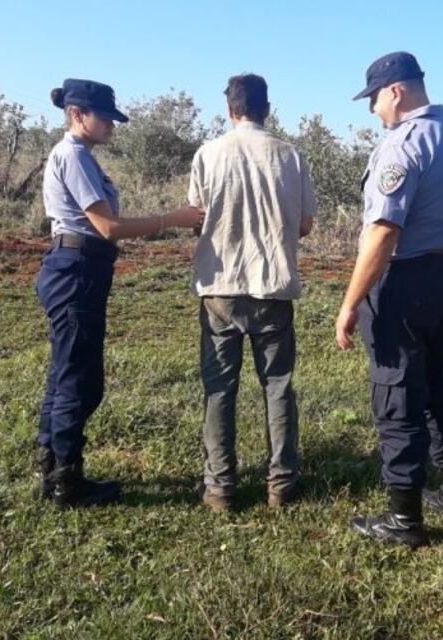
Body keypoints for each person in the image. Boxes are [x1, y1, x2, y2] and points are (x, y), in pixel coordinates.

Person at [335, 52, 443, 547]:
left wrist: (350, 302)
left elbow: (382, 232)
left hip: (404, 285)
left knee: (396, 395)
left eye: (373, 98)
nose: (372, 110)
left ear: (395, 91)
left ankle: (404, 521)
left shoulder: (402, 145)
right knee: (438, 385)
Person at [36, 78, 204, 508]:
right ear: (78, 114)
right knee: (79, 380)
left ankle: (54, 469)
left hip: (78, 267)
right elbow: (109, 227)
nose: (112, 125)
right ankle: (66, 481)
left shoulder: (80, 156)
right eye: (105, 117)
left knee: (66, 372)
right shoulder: (74, 156)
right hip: (77, 270)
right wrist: (173, 218)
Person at [188, 73, 317, 513]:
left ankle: (220, 487)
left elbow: (197, 217)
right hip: (273, 287)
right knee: (277, 386)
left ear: (230, 110)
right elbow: (304, 224)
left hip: (220, 287)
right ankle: (282, 483)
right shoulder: (290, 156)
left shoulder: (208, 154)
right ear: (267, 109)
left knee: (219, 389)